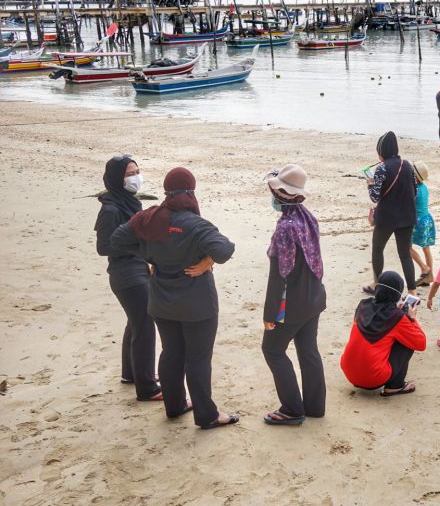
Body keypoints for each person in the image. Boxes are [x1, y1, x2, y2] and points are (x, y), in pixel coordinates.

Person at [111, 168, 238, 430]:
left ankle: (175, 404)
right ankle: (206, 415)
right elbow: (224, 250)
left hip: (161, 300)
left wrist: (149, 255)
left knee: (171, 352)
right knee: (198, 359)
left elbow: (117, 240)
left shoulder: (148, 217)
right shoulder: (196, 224)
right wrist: (207, 260)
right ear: (191, 192)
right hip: (197, 304)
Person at [260, 165, 327, 426]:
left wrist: (269, 314)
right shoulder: (307, 217)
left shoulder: (286, 228)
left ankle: (291, 408)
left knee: (272, 350)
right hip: (313, 297)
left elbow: (280, 275)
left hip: (293, 303)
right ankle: (315, 405)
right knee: (308, 350)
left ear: (281, 196)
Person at [94, 154, 160, 401]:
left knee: (135, 322)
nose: (135, 178)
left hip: (138, 269)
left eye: (137, 172)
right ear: (115, 178)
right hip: (126, 275)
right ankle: (147, 387)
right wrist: (137, 246)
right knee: (144, 324)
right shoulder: (111, 208)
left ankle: (130, 374)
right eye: (129, 174)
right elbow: (104, 247)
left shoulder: (128, 202)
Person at [340, 271, 427, 396]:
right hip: (373, 377)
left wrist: (395, 310)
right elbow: (421, 343)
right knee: (408, 341)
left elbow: (378, 316)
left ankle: (364, 373)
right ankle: (395, 386)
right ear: (397, 294)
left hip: (349, 371)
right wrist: (412, 319)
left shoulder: (363, 305)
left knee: (383, 337)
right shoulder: (397, 317)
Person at [366, 131, 419, 295]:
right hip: (407, 216)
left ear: (382, 151)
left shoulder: (382, 168)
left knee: (377, 249)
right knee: (405, 254)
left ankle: (377, 283)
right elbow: (415, 191)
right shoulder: (407, 165)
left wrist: (370, 184)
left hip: (387, 217)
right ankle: (412, 291)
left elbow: (375, 197)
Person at [409, 161, 436, 287]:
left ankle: (424, 268)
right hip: (427, 219)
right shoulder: (424, 187)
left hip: (418, 221)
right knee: (426, 249)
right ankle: (429, 276)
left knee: (406, 247)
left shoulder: (414, 190)